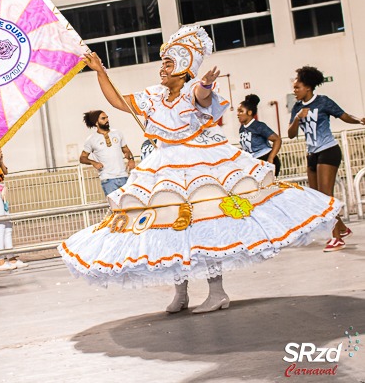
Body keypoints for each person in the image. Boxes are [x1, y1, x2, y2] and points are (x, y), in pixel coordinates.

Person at [59, 26, 342, 314]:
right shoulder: (155, 95)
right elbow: (119, 101)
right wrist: (100, 71)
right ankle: (180, 293)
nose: (162, 70)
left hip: (198, 164)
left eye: (168, 65)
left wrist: (205, 84)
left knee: (205, 226)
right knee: (172, 227)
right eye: (163, 64)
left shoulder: (190, 93)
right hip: (164, 164)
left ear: (183, 69)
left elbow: (202, 96)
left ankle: (217, 292)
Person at [288, 65, 364, 252]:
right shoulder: (297, 107)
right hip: (311, 154)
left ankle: (336, 238)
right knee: (317, 199)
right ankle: (342, 228)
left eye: (297, 87)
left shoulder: (322, 102)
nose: (294, 91)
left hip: (328, 150)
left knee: (325, 198)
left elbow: (344, 116)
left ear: (308, 87)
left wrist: (360, 120)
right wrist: (298, 118)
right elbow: (290, 134)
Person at [80, 110, 136, 196]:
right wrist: (93, 162)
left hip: (123, 176)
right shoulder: (91, 139)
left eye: (107, 117)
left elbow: (126, 150)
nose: (107, 120)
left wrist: (131, 159)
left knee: (129, 205)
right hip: (107, 179)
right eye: (103, 118)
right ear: (96, 123)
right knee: (115, 207)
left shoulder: (118, 133)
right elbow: (82, 158)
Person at [237, 94, 282, 176]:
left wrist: (271, 158)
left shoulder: (259, 126)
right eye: (238, 111)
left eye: (241, 111)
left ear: (249, 112)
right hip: (254, 162)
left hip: (265, 159)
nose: (238, 114)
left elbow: (277, 139)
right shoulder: (242, 128)